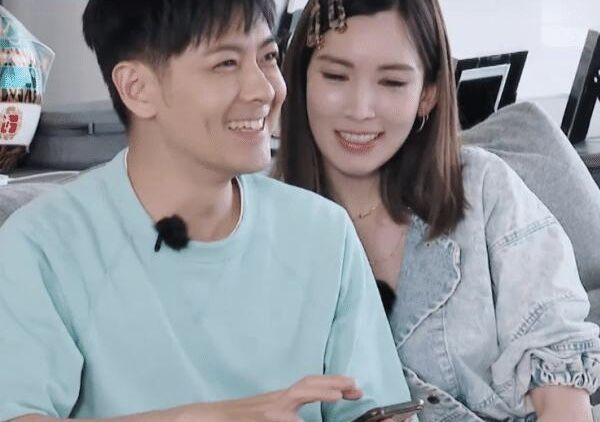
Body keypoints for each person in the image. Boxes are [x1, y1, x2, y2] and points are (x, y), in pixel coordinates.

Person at [0, 0, 413, 421]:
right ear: (137, 88)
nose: (264, 90)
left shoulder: (323, 232)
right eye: (226, 64)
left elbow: (377, 410)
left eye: (268, 57)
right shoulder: (42, 245)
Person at [274, 0, 600, 420]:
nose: (360, 109)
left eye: (392, 82)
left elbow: (557, 365)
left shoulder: (482, 187)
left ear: (428, 94)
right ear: (300, 79)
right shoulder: (264, 224)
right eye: (336, 76)